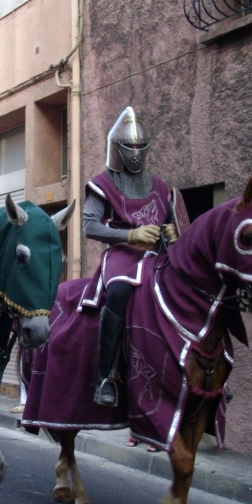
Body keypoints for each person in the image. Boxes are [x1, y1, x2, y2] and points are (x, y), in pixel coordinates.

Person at [82, 106, 179, 407]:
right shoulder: (103, 184)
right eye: (130, 146)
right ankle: (105, 377)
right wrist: (132, 235)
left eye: (140, 146)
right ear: (117, 148)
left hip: (158, 257)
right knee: (121, 292)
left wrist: (175, 233)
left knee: (187, 292)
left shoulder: (161, 186)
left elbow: (173, 222)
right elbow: (90, 225)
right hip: (122, 256)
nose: (136, 152)